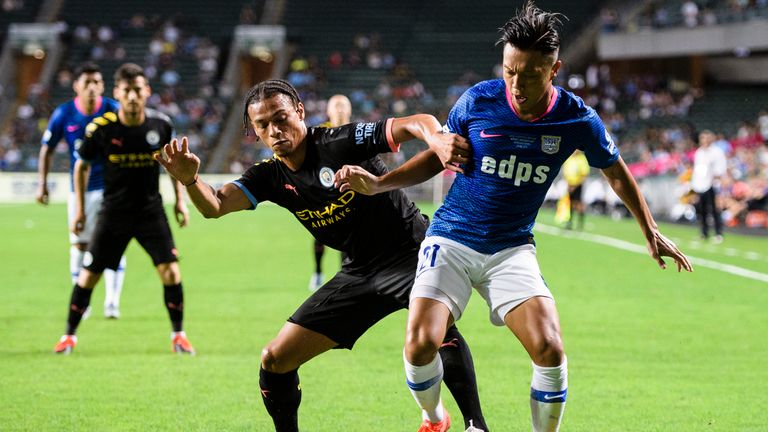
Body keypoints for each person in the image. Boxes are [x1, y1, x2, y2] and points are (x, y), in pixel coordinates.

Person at [335, 3, 693, 431]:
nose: (517, 85)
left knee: (550, 349)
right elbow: (438, 156)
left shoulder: (577, 119)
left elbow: (616, 173)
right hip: (450, 239)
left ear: (554, 69)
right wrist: (378, 184)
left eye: (530, 74)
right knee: (419, 343)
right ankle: (434, 418)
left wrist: (650, 231)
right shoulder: (478, 100)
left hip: (511, 248)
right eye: (509, 71)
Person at [155, 79, 489, 432]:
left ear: (300, 111)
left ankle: (475, 425)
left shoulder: (337, 142)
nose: (275, 130)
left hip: (410, 253)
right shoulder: (269, 175)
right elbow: (216, 206)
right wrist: (190, 182)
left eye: (281, 118)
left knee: (437, 333)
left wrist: (436, 137)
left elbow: (411, 122)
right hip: (358, 272)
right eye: (263, 125)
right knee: (275, 359)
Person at [53, 63, 195, 355]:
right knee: (88, 274)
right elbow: (81, 166)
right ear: (117, 92)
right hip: (113, 212)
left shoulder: (160, 125)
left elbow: (174, 165)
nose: (132, 96)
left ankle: (179, 335)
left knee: (171, 272)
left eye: (137, 90)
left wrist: (180, 200)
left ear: (147, 92)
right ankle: (68, 336)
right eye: (126, 90)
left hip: (150, 212)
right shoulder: (102, 129)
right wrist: (80, 209)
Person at [36, 62, 126, 319]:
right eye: (86, 83)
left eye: (97, 82)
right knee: (80, 245)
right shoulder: (64, 114)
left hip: (112, 189)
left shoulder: (113, 110)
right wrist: (42, 184)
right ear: (76, 86)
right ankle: (82, 301)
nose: (92, 87)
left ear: (102, 86)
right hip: (80, 191)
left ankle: (112, 302)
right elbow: (47, 149)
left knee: (113, 245)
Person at [308, 94, 352, 292]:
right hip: (323, 194)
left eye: (344, 105)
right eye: (336, 105)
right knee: (320, 236)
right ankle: (318, 272)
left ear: (350, 110)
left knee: (349, 242)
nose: (340, 109)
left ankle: (345, 279)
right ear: (328, 110)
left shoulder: (357, 132)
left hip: (351, 193)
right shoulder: (317, 134)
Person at [691, 129, 726, 243]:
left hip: (712, 184)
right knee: (702, 210)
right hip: (700, 185)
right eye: (702, 138)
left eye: (706, 138)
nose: (704, 140)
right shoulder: (699, 152)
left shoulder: (717, 152)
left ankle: (718, 233)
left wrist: (716, 182)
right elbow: (697, 170)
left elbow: (720, 169)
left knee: (715, 210)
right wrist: (694, 186)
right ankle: (704, 233)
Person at [562, 149, 590, 230]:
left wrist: (575, 186)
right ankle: (570, 222)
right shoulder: (569, 158)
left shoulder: (582, 159)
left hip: (578, 185)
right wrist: (568, 184)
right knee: (570, 204)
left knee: (578, 204)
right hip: (569, 185)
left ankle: (580, 223)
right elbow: (566, 171)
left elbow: (584, 174)